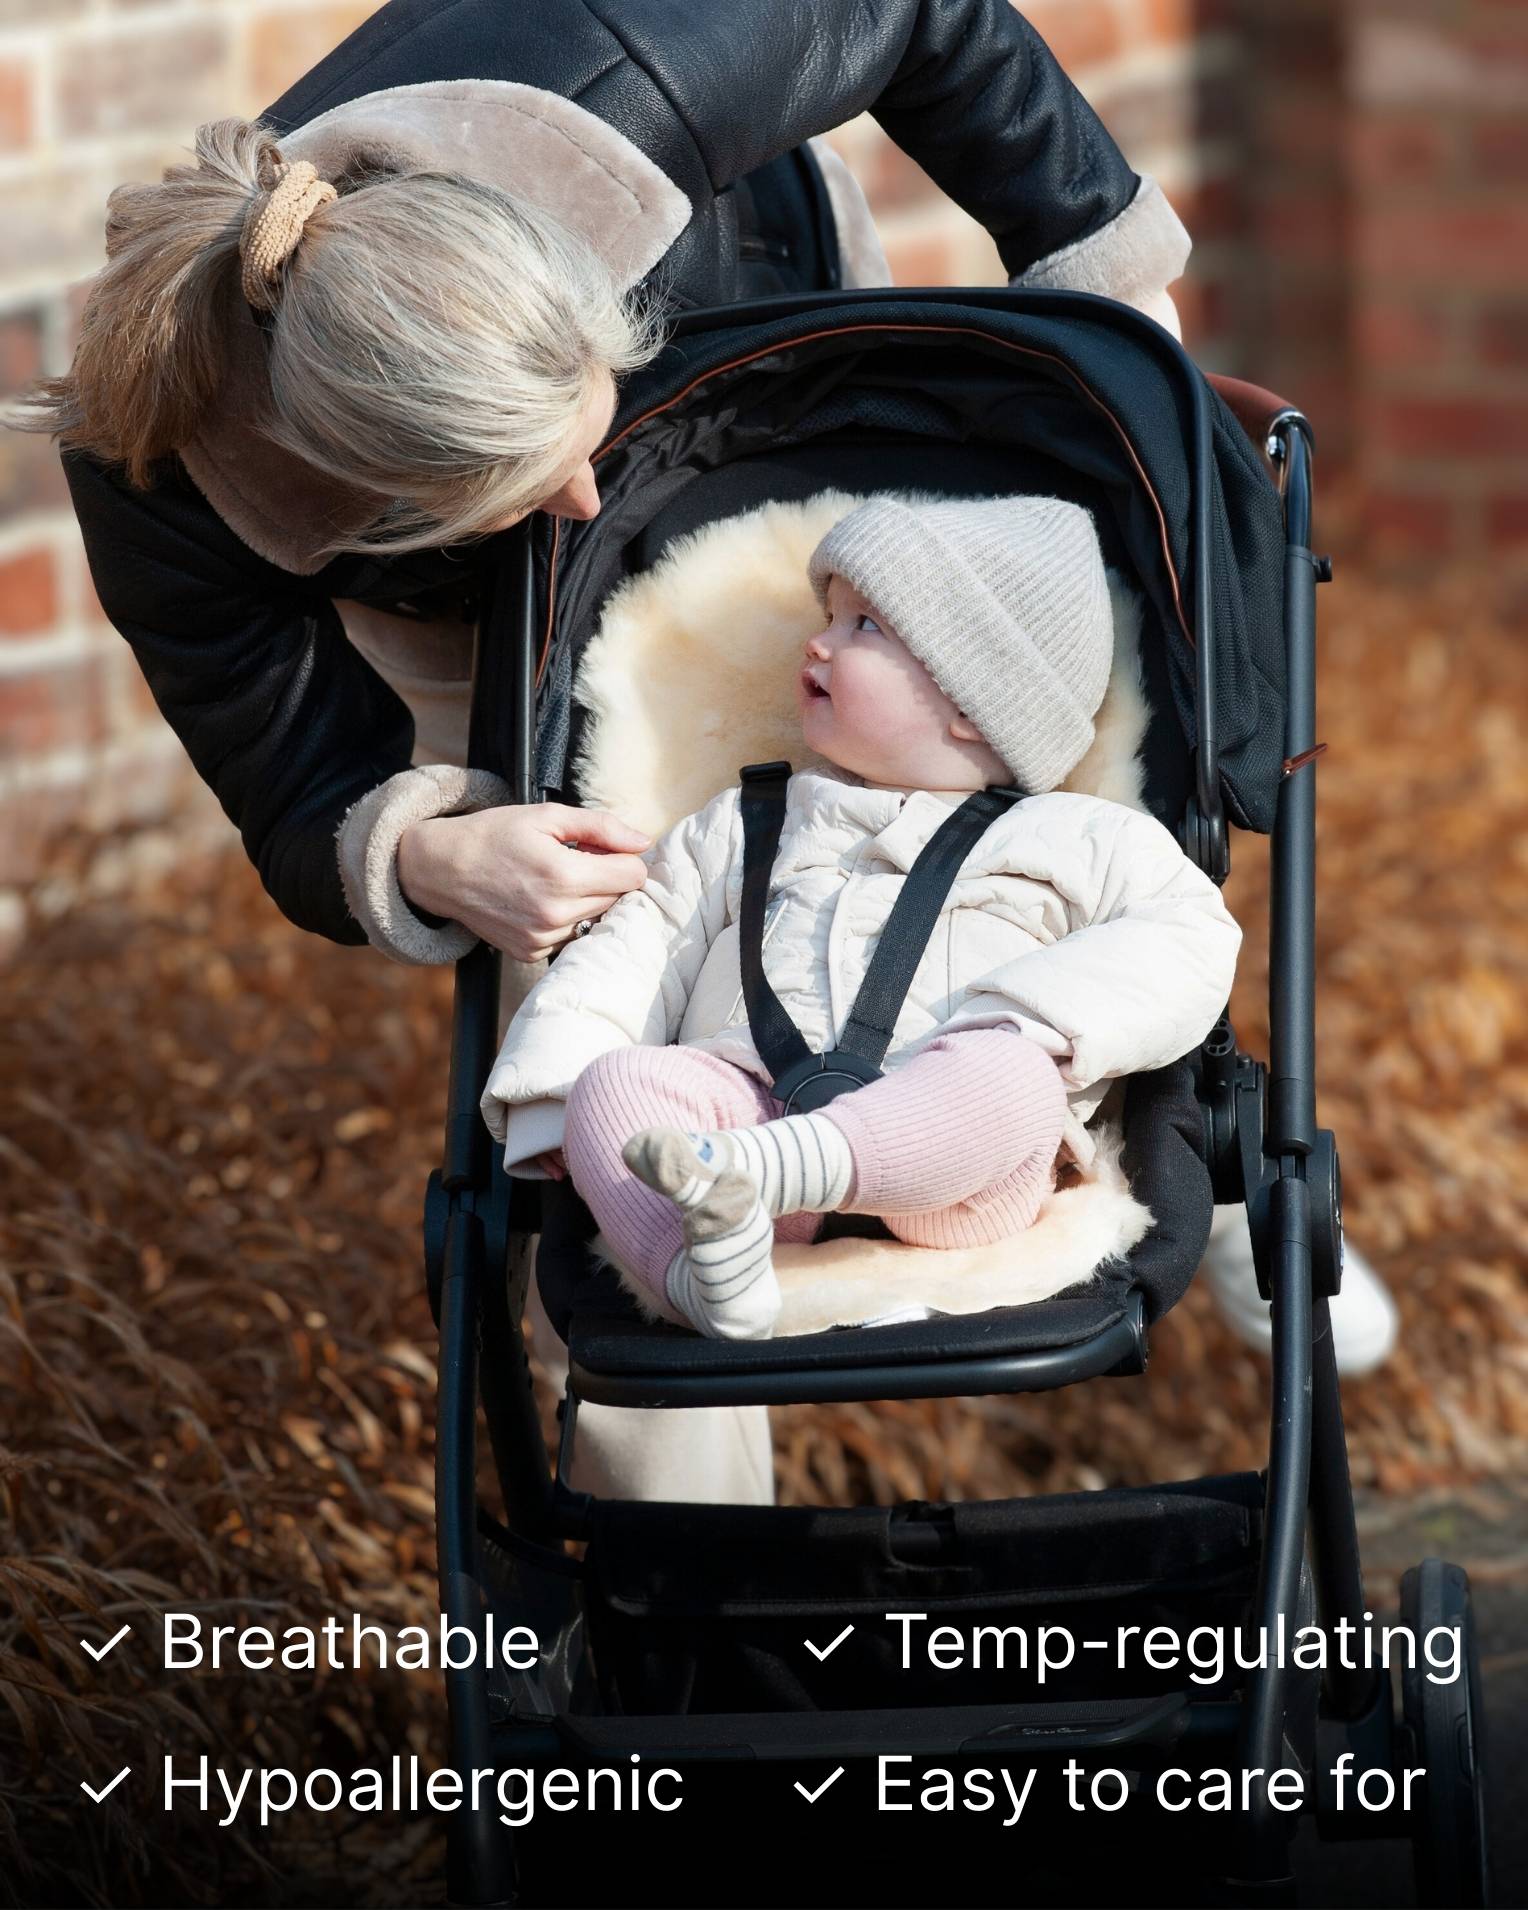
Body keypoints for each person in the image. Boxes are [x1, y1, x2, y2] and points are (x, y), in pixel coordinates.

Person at [482, 495, 1243, 1339]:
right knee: (613, 1088)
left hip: (959, 1159)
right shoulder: (740, 824)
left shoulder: (1078, 835)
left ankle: (780, 1172)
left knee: (1016, 1077)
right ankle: (707, 1277)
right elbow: (639, 945)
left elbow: (1191, 934)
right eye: (829, 616)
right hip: (747, 1104)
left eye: (864, 626)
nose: (818, 641)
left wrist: (1033, 1019)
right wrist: (559, 1092)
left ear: (970, 698)